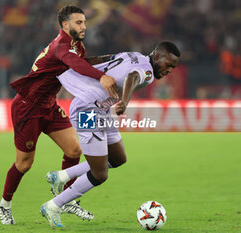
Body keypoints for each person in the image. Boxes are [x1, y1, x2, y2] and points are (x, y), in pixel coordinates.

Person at [0, 5, 118, 224]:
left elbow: (80, 65)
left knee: (74, 149)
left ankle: (66, 199)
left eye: (84, 21)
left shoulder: (76, 46)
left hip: (49, 105)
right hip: (28, 107)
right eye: (78, 22)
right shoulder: (61, 46)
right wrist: (101, 77)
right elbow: (74, 64)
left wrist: (117, 64)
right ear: (65, 25)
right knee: (24, 164)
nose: (84, 26)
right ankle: (4, 204)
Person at [40, 40, 180, 227]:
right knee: (99, 174)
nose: (170, 70)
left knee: (118, 158)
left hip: (101, 109)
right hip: (87, 110)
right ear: (156, 56)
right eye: (168, 64)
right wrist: (125, 101)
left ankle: (61, 176)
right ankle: (53, 206)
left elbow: (103, 59)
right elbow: (132, 77)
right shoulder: (147, 73)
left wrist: (76, 62)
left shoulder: (134, 55)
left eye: (173, 67)